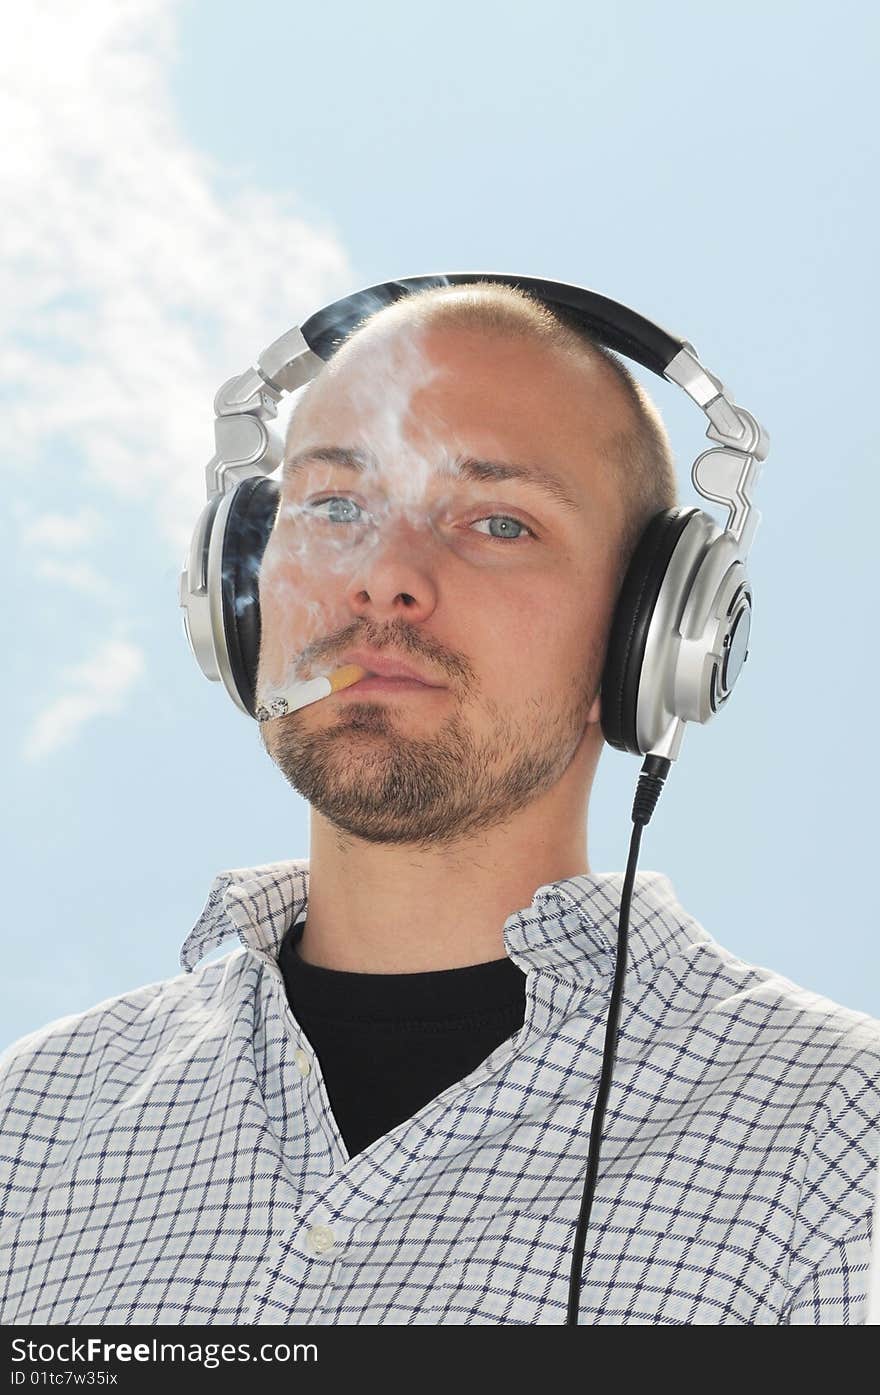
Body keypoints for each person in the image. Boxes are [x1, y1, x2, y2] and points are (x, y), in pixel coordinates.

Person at [1, 282, 878, 1327]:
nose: (384, 579)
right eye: (334, 507)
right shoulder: (35, 1120)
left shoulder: (841, 1142)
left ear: (653, 637)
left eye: (498, 522)